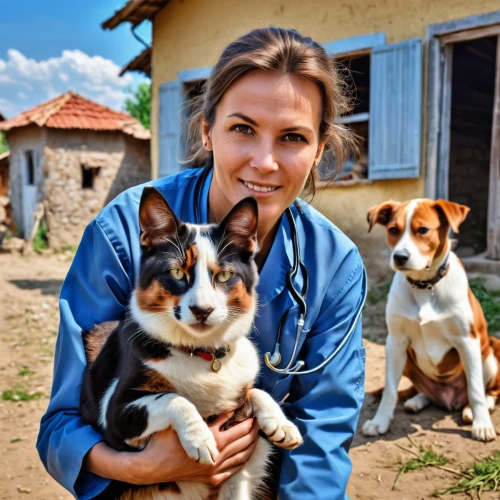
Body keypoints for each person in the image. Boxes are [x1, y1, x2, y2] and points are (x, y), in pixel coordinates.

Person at [37, 27, 366, 499]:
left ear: (318, 152)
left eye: (293, 137)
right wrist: (140, 469)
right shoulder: (124, 234)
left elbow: (321, 442)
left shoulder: (335, 266)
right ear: (207, 131)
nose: (265, 162)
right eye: (243, 128)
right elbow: (63, 425)